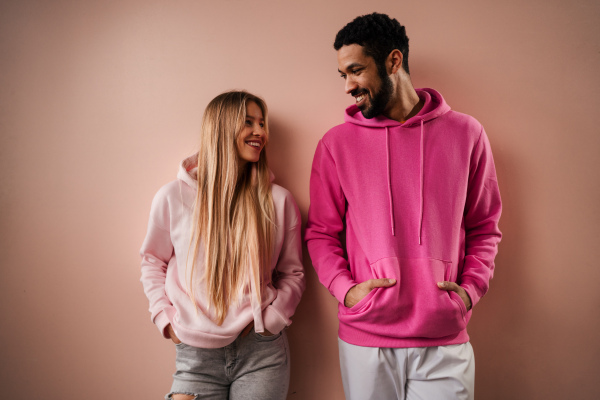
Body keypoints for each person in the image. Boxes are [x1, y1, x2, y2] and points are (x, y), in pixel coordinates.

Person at [305, 13, 502, 400]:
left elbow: (484, 225)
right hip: (367, 338)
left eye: (356, 71)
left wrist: (468, 292)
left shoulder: (467, 134)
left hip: (444, 335)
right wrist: (347, 291)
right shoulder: (336, 144)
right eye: (343, 75)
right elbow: (320, 232)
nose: (348, 86)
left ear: (393, 61)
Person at [140, 91, 305, 400]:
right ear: (221, 128)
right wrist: (164, 318)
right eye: (248, 122)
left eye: (261, 123)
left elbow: (293, 272)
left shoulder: (278, 201)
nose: (261, 132)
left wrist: (273, 320)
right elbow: (152, 261)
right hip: (195, 357)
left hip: (261, 353)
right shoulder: (172, 197)